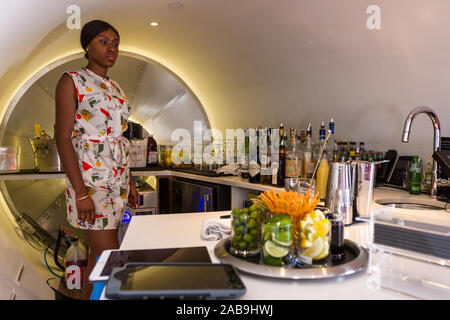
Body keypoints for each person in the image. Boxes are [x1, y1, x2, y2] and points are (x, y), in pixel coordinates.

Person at [55, 20, 139, 300]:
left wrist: (132, 182)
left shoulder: (115, 86)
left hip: (118, 182)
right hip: (90, 183)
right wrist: (80, 193)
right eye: (103, 42)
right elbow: (63, 137)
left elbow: (120, 140)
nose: (111, 48)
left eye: (115, 43)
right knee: (111, 255)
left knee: (98, 260)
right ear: (87, 46)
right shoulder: (71, 80)